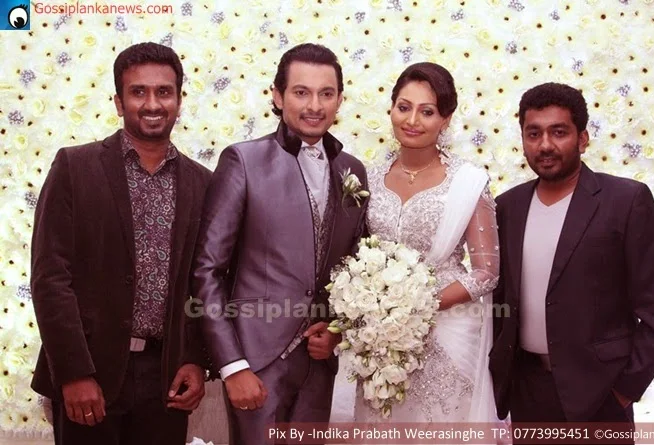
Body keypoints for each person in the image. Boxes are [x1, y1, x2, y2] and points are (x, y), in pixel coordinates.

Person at [30, 42, 211, 445]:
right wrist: (74, 372)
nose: (153, 104)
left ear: (179, 101)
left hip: (166, 379)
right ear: (118, 101)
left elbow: (205, 283)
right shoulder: (75, 168)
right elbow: (50, 278)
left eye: (164, 92)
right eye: (138, 92)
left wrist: (196, 360)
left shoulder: (203, 183)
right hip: (90, 374)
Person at [191, 43, 368, 445]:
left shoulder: (352, 171)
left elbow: (355, 269)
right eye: (301, 92)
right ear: (277, 95)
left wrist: (337, 329)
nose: (314, 105)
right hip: (255, 362)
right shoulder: (243, 161)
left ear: (340, 100)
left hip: (319, 363)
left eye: (326, 93)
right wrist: (233, 366)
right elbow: (207, 271)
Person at [490, 83, 654, 437]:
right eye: (533, 133)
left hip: (601, 394)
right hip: (527, 392)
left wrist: (626, 388)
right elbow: (500, 300)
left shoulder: (625, 201)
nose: (545, 145)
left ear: (582, 139)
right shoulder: (507, 206)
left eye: (558, 132)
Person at [350, 62, 500, 423]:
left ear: (445, 119)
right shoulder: (368, 178)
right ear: (391, 109)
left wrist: (416, 306)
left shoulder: (467, 181)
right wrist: (376, 309)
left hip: (448, 332)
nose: (412, 120)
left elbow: (486, 272)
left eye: (427, 111)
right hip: (379, 335)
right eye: (404, 107)